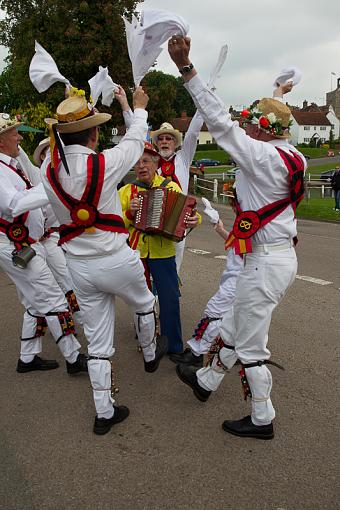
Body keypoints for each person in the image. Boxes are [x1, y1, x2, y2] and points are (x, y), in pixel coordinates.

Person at [168, 35, 307, 440]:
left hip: (265, 261)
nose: (244, 126)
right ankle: (206, 382)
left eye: (251, 123)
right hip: (273, 257)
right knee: (234, 323)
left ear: (262, 132)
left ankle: (262, 420)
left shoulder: (261, 156)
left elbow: (222, 124)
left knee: (251, 346)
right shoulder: (290, 154)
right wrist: (277, 95)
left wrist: (187, 69)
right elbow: (263, 127)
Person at [40, 87, 168, 435]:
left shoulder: (46, 173)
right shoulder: (105, 162)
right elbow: (135, 141)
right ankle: (148, 353)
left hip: (79, 266)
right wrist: (138, 108)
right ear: (95, 133)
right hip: (117, 259)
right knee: (144, 302)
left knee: (97, 343)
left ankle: (104, 412)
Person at [0, 113, 88, 375]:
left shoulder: (10, 165)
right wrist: (50, 188)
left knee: (34, 302)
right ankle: (73, 358)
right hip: (16, 245)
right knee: (52, 298)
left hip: (25, 244)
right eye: (14, 132)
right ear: (1, 140)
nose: (19, 136)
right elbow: (13, 204)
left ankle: (27, 358)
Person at [119, 141, 200, 355]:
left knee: (169, 298)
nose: (141, 166)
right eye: (137, 163)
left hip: (163, 253)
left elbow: (188, 213)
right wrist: (129, 212)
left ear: (156, 164)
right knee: (141, 300)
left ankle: (173, 346)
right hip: (136, 252)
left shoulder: (170, 187)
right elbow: (113, 222)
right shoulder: (126, 191)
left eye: (146, 161)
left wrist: (195, 219)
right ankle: (147, 343)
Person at [115, 86, 203, 272]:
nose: (164, 141)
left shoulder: (183, 158)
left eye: (169, 139)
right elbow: (134, 129)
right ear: (156, 143)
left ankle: (168, 290)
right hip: (147, 223)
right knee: (145, 268)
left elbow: (194, 132)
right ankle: (151, 296)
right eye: (161, 138)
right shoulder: (151, 162)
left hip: (178, 219)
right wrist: (124, 103)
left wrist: (204, 97)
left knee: (174, 265)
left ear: (175, 142)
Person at [169, 195, 243, 368]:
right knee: (235, 316)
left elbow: (248, 247)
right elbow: (239, 244)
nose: (233, 206)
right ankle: (236, 351)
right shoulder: (250, 218)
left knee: (213, 312)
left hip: (240, 279)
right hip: (237, 277)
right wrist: (220, 229)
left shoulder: (255, 218)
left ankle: (197, 354)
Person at [15, 138, 83, 323]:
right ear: (43, 156)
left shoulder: (68, 178)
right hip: (31, 242)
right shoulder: (37, 175)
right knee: (34, 291)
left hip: (54, 238)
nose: (54, 155)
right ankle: (45, 323)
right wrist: (10, 133)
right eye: (49, 151)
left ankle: (80, 319)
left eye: (57, 151)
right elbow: (21, 156)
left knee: (66, 278)